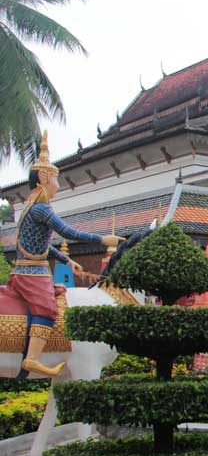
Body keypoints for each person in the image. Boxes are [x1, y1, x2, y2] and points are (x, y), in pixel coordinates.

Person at [7, 131, 122, 377]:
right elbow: (68, 232)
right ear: (44, 179)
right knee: (47, 308)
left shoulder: (29, 208)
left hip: (29, 270)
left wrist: (66, 260)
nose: (58, 186)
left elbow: (40, 245)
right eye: (56, 180)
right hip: (32, 274)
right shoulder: (41, 210)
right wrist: (102, 239)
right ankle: (32, 358)